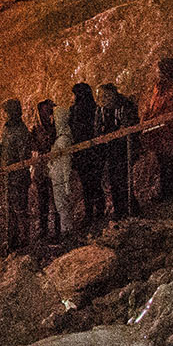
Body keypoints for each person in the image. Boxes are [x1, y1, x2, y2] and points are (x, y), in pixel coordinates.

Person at [143, 58, 173, 203]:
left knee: (170, 161)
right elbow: (152, 107)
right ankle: (165, 191)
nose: (157, 72)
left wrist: (157, 122)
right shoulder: (159, 87)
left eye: (159, 69)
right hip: (157, 131)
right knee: (162, 161)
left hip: (169, 130)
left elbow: (171, 110)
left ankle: (172, 192)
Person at [0, 101, 34, 250]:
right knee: (10, 209)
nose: (2, 114)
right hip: (8, 176)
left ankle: (25, 238)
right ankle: (12, 240)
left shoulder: (21, 131)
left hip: (18, 177)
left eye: (4, 111)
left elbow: (24, 156)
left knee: (20, 209)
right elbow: (6, 145)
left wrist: (21, 174)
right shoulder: (7, 128)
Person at [97, 81, 140, 216]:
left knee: (123, 179)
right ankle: (119, 210)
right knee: (113, 180)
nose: (103, 99)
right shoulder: (102, 110)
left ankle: (131, 208)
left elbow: (132, 122)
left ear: (113, 94)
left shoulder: (125, 106)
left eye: (106, 96)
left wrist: (124, 130)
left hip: (124, 147)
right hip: (111, 149)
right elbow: (98, 127)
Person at [67, 81, 104, 225]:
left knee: (89, 184)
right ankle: (97, 211)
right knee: (93, 183)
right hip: (91, 152)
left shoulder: (78, 111)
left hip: (85, 152)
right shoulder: (93, 109)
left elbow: (76, 130)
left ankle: (91, 213)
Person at [46, 99, 82, 238]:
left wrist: (66, 181)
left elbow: (66, 161)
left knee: (62, 204)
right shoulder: (62, 138)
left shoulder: (63, 140)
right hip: (58, 175)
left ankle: (67, 230)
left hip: (61, 176)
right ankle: (65, 229)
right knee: (60, 204)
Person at [33, 97, 66, 240]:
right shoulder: (36, 129)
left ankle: (59, 229)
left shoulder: (58, 127)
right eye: (44, 111)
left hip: (55, 166)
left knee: (57, 198)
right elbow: (32, 145)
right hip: (42, 167)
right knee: (43, 200)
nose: (47, 114)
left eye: (49, 111)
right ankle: (44, 229)